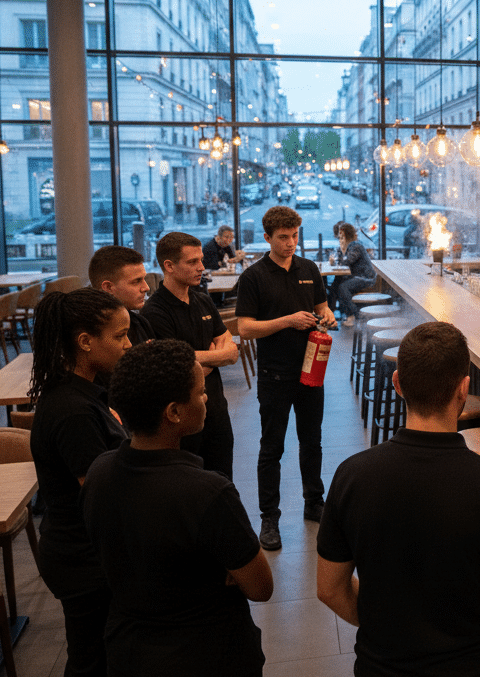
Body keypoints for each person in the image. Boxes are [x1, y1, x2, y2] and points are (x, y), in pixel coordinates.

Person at [316, 321, 480, 677]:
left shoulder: (352, 477)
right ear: (463, 389)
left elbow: (329, 589)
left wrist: (383, 625)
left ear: (397, 384)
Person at [81, 340, 272, 677]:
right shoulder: (207, 492)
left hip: (130, 662)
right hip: (208, 669)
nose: (207, 399)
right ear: (174, 412)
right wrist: (220, 570)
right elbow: (260, 586)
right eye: (200, 393)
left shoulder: (99, 472)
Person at [28, 287, 131, 677]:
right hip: (81, 559)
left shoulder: (84, 394)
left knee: (98, 661)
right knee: (92, 669)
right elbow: (100, 493)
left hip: (82, 552)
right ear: (86, 342)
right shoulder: (72, 409)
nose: (128, 345)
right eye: (120, 336)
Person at [236, 206, 338, 550]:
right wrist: (288, 321)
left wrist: (327, 316)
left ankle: (314, 503)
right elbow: (245, 328)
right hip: (274, 374)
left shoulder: (309, 269)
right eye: (283, 237)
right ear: (267, 237)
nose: (291, 243)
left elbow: (322, 306)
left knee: (312, 441)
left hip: (311, 369)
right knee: (272, 447)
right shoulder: (253, 277)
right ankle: (269, 518)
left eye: (295, 235)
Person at [142, 232, 238, 480]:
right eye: (193, 262)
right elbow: (176, 368)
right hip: (181, 420)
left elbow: (231, 351)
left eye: (201, 260)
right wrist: (215, 356)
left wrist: (197, 360)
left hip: (216, 410)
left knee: (223, 481)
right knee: (188, 485)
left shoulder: (203, 300)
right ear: (169, 266)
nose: (201, 267)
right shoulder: (154, 311)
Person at [87, 245, 154, 345]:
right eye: (136, 281)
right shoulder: (91, 333)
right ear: (108, 287)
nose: (146, 288)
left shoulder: (140, 322)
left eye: (144, 279)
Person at [328, 221, 375, 328]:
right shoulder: (350, 246)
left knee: (342, 287)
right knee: (336, 285)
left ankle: (355, 315)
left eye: (341, 237)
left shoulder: (356, 246)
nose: (340, 239)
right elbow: (340, 260)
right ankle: (334, 315)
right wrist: (339, 253)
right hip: (357, 276)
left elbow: (347, 261)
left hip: (365, 277)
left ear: (346, 236)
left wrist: (340, 254)